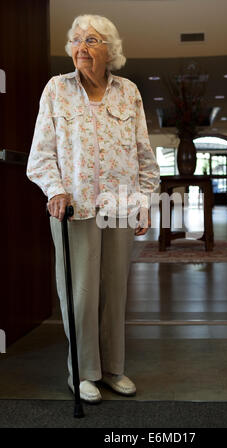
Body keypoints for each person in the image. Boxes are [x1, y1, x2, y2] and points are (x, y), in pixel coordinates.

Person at [26, 14, 160, 403]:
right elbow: (41, 155)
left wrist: (144, 201)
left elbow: (143, 155)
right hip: (75, 208)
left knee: (114, 292)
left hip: (120, 207)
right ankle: (83, 373)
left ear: (110, 51)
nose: (82, 47)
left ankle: (113, 369)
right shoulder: (56, 90)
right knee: (80, 293)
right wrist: (54, 189)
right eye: (77, 40)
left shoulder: (128, 92)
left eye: (92, 40)